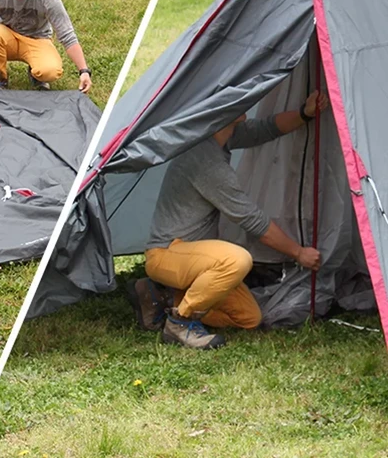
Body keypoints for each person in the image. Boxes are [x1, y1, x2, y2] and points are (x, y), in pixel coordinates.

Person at [128, 91, 328, 350]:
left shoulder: (221, 136)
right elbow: (253, 221)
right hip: (168, 253)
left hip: (193, 258)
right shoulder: (206, 161)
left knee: (249, 318)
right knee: (236, 259)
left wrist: (304, 113)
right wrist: (298, 253)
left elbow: (265, 129)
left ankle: (162, 297)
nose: (246, 100)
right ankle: (181, 321)